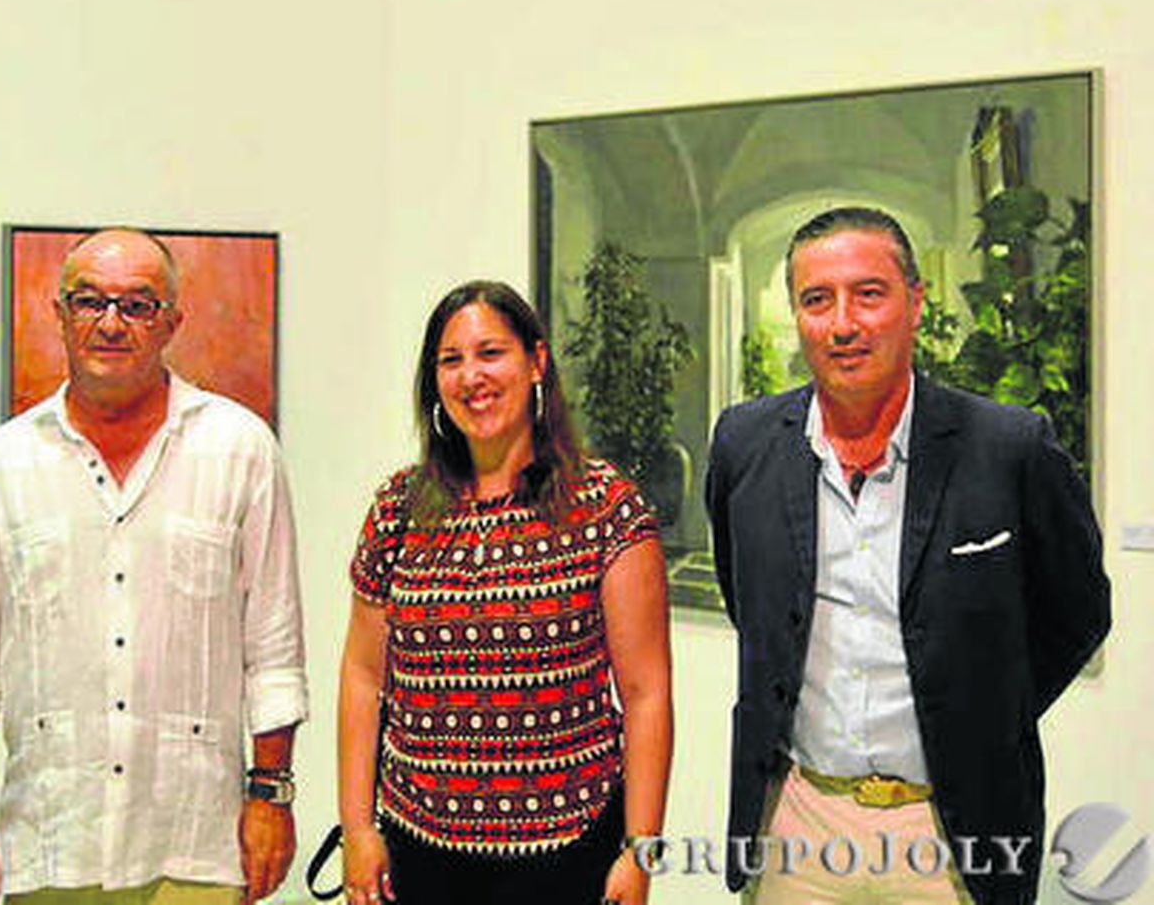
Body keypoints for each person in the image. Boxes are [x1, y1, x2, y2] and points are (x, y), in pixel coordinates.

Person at [708, 207, 1111, 905]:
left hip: (952, 833)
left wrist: (982, 711)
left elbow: (1077, 616)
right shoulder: (745, 444)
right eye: (816, 299)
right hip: (798, 825)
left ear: (916, 302)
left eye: (869, 293)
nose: (842, 324)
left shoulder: (1010, 448)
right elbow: (754, 604)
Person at [0, 228, 308, 905]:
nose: (110, 322)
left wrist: (271, 798)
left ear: (171, 323)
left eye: (137, 305)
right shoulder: (1, 464)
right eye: (90, 301)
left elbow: (273, 650)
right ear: (60, 314)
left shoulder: (240, 449)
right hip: (50, 843)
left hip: (197, 843)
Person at [337, 280, 673, 905]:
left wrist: (640, 851)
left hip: (570, 850)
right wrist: (358, 827)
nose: (472, 377)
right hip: (418, 847)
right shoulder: (397, 509)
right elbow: (362, 676)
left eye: (490, 353)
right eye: (451, 360)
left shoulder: (606, 509)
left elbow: (646, 693)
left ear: (536, 362)